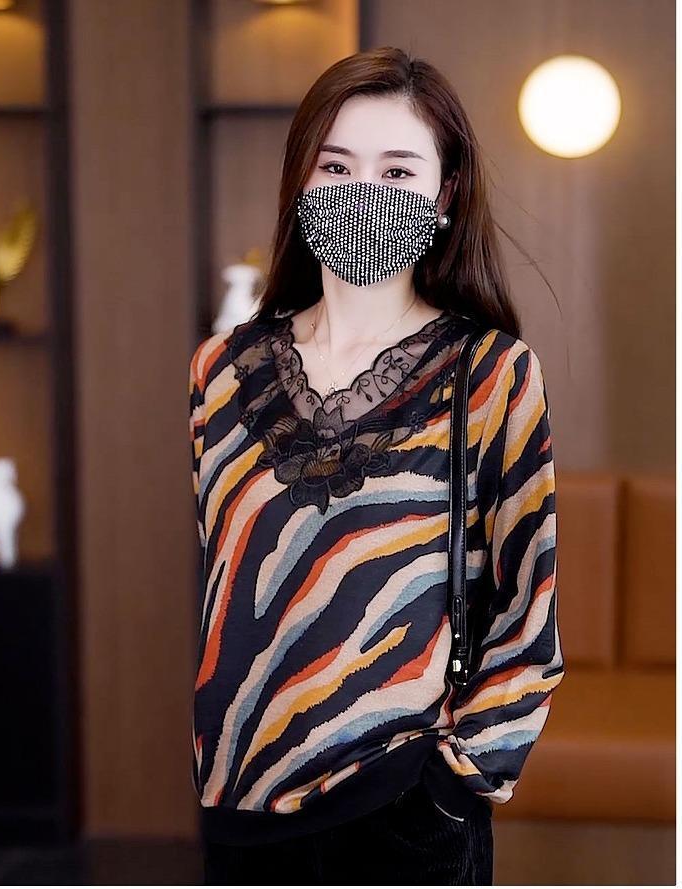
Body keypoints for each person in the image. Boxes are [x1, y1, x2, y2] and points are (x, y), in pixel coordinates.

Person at [188, 45, 565, 886]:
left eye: (397, 171)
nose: (364, 191)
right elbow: (225, 583)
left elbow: (527, 614)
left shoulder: (491, 373)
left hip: (402, 812)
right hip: (237, 806)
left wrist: (452, 788)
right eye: (336, 165)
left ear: (444, 194)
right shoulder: (219, 370)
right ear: (301, 181)